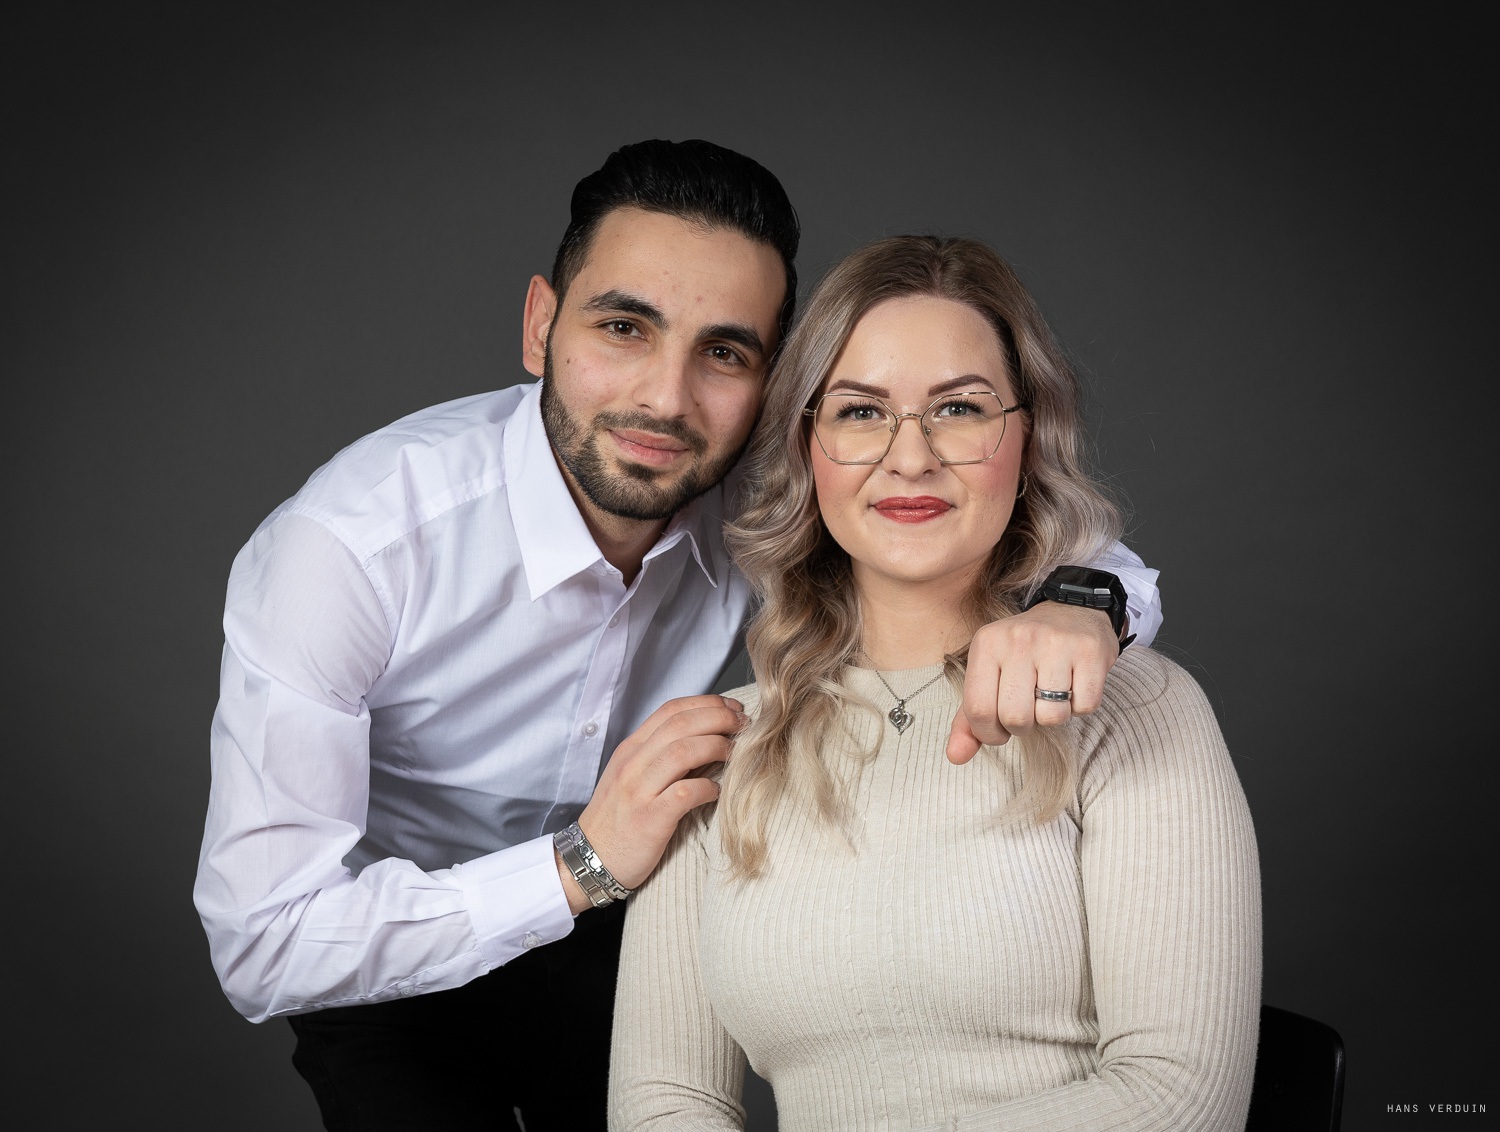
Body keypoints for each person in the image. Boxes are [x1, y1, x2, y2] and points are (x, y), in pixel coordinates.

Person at [194, 141, 1164, 1131]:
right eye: (624, 327)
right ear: (540, 325)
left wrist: (1079, 605)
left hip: (630, 934)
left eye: (725, 353)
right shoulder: (351, 549)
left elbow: (1062, 541)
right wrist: (580, 863)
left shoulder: (764, 491)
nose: (665, 398)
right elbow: (265, 941)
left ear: (773, 381)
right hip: (393, 951)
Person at [609, 235, 1260, 1131]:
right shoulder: (718, 750)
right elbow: (664, 1104)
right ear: (807, 446)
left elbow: (1178, 1099)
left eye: (959, 408)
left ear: (1027, 438)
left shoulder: (1135, 707)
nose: (909, 458)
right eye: (860, 412)